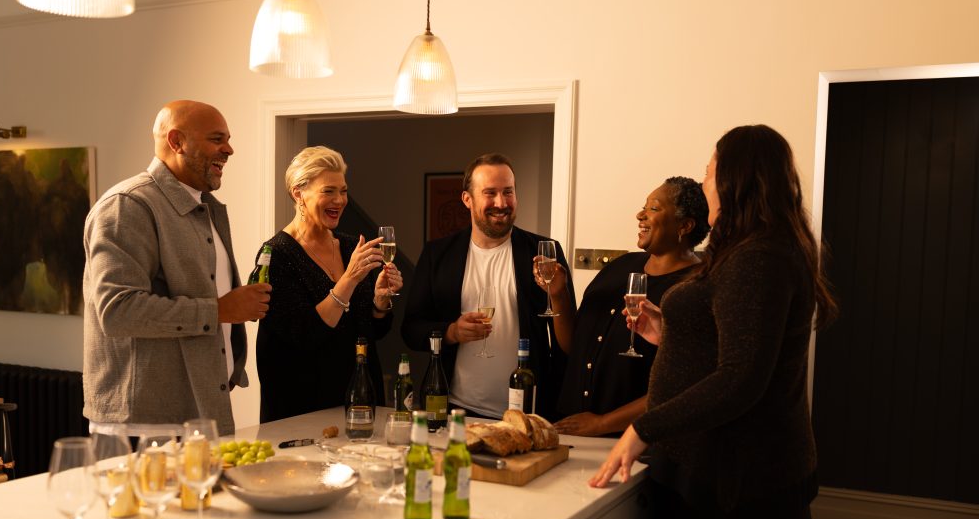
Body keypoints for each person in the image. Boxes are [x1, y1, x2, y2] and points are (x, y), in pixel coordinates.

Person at [590, 125, 837, 519]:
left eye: (709, 169)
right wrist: (671, 332)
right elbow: (731, 346)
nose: (704, 180)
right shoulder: (752, 250)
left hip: (735, 483)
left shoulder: (758, 258)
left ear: (736, 177)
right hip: (724, 472)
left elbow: (742, 379)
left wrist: (641, 428)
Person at [83, 100, 270, 436]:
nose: (229, 149)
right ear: (176, 141)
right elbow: (117, 311)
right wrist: (219, 310)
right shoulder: (128, 206)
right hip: (142, 426)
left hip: (198, 412)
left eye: (227, 139)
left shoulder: (205, 208)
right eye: (216, 139)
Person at [402, 153, 575, 419]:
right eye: (490, 193)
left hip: (527, 411)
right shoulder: (438, 254)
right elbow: (411, 330)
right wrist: (451, 332)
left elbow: (570, 342)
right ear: (467, 199)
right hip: (455, 409)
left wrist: (560, 294)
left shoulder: (543, 254)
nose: (501, 202)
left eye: (508, 192)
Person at [253, 146, 402, 423]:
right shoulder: (276, 255)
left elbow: (371, 332)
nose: (340, 200)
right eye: (328, 191)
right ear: (299, 194)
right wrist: (349, 279)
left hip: (360, 397)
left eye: (343, 191)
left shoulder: (349, 245)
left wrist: (380, 302)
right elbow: (305, 334)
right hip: (304, 408)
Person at [552, 176, 709, 436]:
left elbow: (682, 384)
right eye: (644, 207)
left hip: (631, 443)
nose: (640, 215)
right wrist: (558, 296)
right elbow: (573, 345)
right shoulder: (618, 268)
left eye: (654, 209)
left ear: (684, 226)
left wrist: (603, 423)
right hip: (573, 431)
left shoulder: (696, 289)